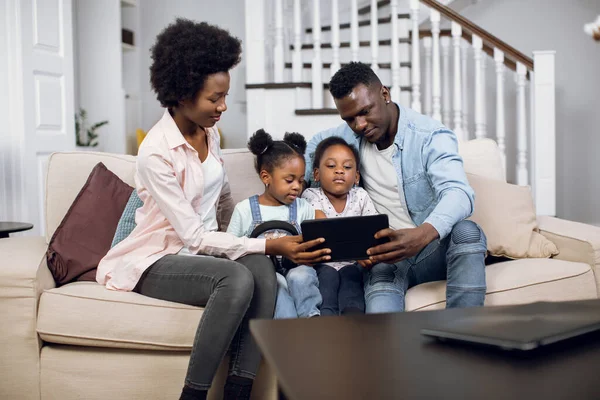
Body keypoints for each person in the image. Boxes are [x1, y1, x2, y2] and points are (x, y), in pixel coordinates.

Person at [96, 19, 330, 400]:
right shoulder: (155, 152)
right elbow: (191, 235)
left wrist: (245, 246)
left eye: (224, 96)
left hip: (200, 252)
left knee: (261, 271)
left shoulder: (211, 133)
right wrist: (270, 245)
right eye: (214, 99)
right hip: (157, 259)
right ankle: (193, 395)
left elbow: (220, 199)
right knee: (236, 279)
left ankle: (239, 390)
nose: (223, 107)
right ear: (182, 94)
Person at [305, 62, 487, 313]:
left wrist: (421, 234)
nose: (359, 124)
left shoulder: (429, 136)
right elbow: (315, 146)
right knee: (382, 327)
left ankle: (465, 338)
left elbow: (459, 193)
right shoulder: (350, 138)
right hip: (384, 260)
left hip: (431, 249)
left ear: (385, 94)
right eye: (349, 119)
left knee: (468, 231)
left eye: (365, 111)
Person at [227, 129, 326, 319]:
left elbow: (320, 237)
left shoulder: (303, 207)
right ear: (266, 177)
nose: (297, 186)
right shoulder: (245, 209)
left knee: (301, 276)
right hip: (265, 273)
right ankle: (286, 328)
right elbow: (231, 248)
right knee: (276, 282)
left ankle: (312, 319)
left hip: (297, 267)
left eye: (300, 180)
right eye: (289, 180)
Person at [302, 137, 378, 315]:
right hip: (324, 262)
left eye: (347, 167)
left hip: (354, 265)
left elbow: (372, 229)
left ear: (357, 176)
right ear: (316, 174)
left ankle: (353, 320)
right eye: (331, 166)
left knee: (352, 280)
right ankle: (327, 319)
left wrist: (368, 252)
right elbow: (323, 228)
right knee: (327, 279)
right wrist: (354, 247)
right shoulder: (311, 195)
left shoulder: (360, 196)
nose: (339, 171)